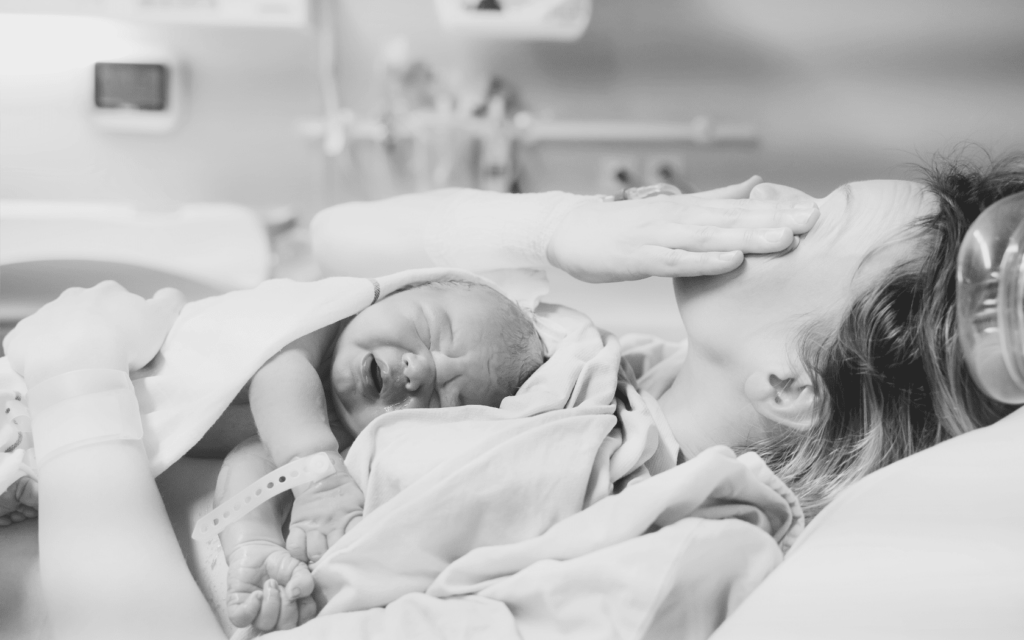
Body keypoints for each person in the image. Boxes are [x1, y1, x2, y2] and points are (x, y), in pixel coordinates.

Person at [311, 150, 1024, 518]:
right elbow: (333, 240)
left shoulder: (599, 490)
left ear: (788, 383)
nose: (773, 194)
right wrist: (563, 228)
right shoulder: (617, 370)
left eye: (813, 220)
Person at [214, 279, 544, 630]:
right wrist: (319, 484)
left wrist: (254, 543)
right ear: (396, 291)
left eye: (444, 398)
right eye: (430, 329)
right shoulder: (321, 326)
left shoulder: (348, 437)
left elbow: (250, 463)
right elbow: (278, 376)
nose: (420, 371)